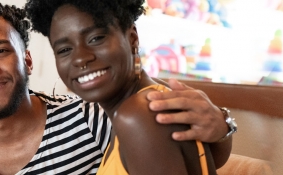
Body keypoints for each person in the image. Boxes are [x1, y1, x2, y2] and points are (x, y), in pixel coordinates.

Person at [0, 0, 232, 174]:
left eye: (1, 51)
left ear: (28, 60)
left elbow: (187, 149)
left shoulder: (93, 118)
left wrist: (221, 124)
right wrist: (224, 125)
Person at [25, 0, 233, 174]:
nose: (80, 58)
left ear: (132, 37)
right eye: (64, 50)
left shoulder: (138, 115)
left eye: (96, 38)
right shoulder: (143, 103)